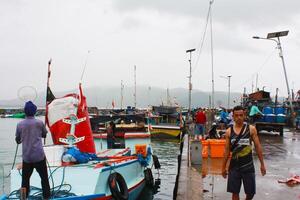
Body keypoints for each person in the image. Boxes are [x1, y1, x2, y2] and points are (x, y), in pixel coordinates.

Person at [221, 106, 266, 200]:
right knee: (235, 192)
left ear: (244, 116)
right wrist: (223, 167)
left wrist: (262, 164)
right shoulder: (229, 132)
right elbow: (226, 151)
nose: (239, 118)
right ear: (233, 117)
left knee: (250, 193)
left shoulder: (251, 129)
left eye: (241, 115)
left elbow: (258, 147)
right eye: (236, 115)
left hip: (248, 165)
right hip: (234, 166)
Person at [15, 101, 50, 199]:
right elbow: (44, 134)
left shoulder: (20, 124)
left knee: (25, 180)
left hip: (27, 157)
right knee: (44, 179)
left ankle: (23, 197)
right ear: (35, 111)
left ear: (25, 112)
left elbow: (18, 140)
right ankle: (47, 197)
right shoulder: (39, 123)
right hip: (39, 156)